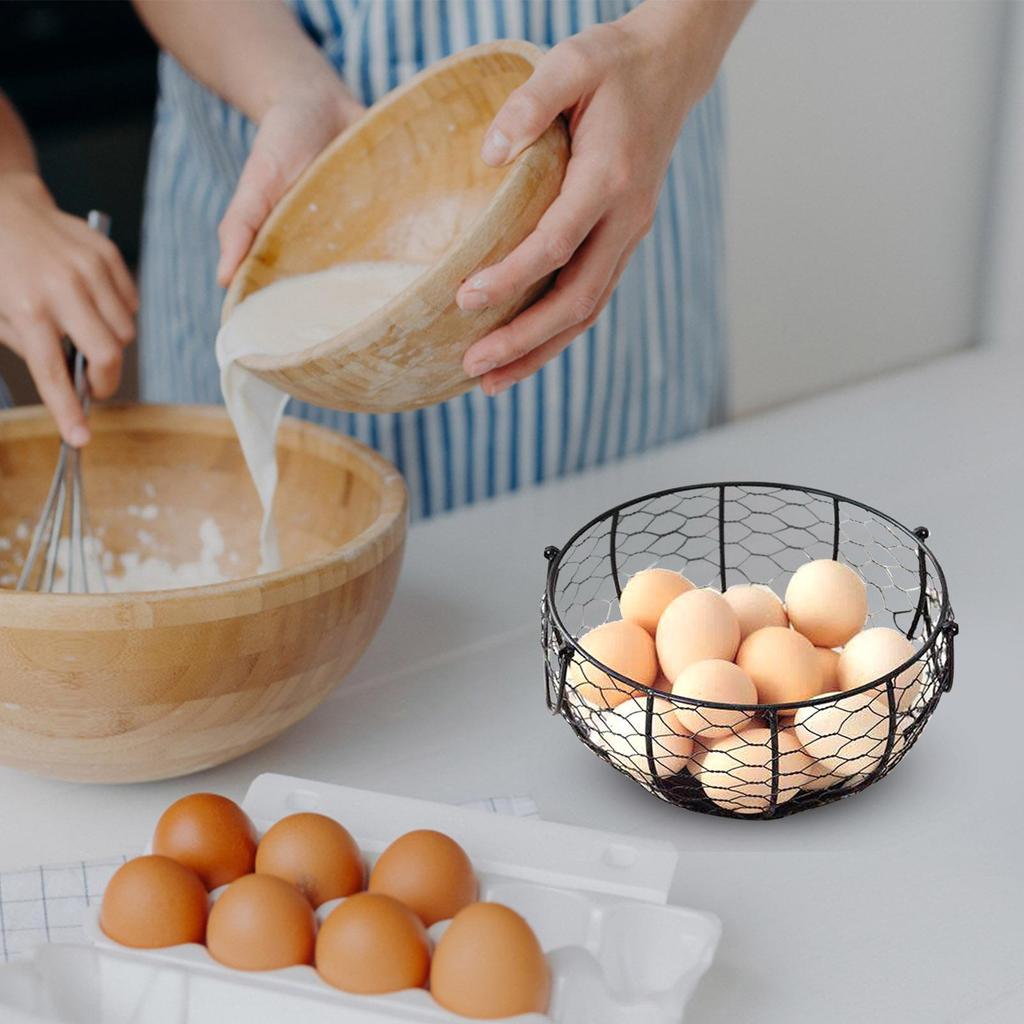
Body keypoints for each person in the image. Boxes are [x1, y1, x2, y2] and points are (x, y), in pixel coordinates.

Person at [2, 1, 751, 521]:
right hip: (270, 147)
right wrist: (285, 85)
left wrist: (671, 46)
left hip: (600, 148)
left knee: (619, 618)